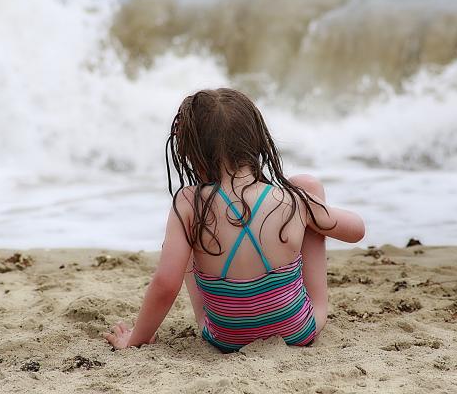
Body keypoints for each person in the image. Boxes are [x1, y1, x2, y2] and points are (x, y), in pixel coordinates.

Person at [103, 88, 365, 352]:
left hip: (224, 338)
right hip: (299, 330)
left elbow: (166, 284)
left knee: (189, 230)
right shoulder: (292, 199)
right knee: (308, 187)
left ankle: (219, 317)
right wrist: (311, 207)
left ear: (193, 153)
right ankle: (316, 305)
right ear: (257, 141)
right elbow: (356, 231)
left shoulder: (188, 202)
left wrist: (135, 339)